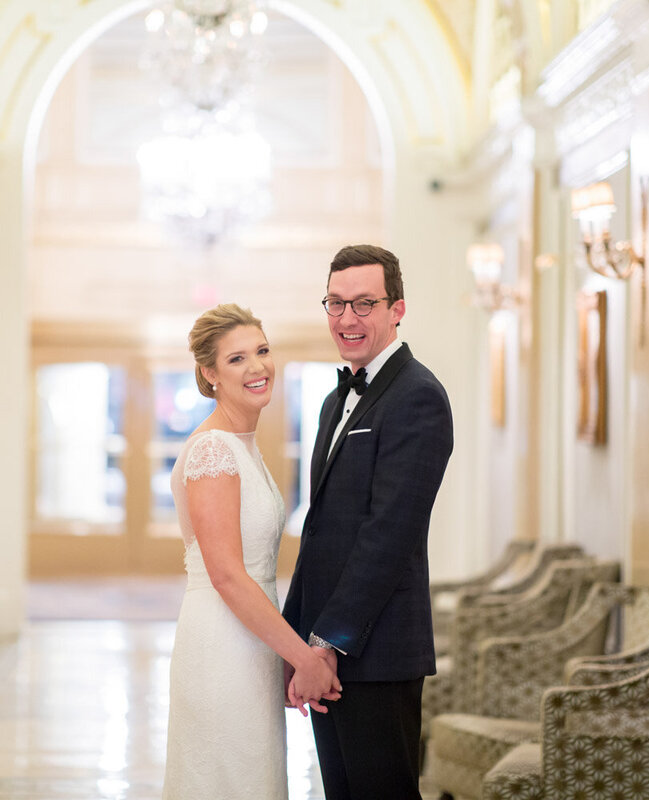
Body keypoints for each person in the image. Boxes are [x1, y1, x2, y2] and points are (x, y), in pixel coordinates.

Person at [282, 245, 454, 800]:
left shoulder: (418, 397)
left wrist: (328, 644)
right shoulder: (338, 398)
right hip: (323, 650)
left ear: (396, 308)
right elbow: (321, 531)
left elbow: (388, 536)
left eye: (363, 303)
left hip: (376, 653)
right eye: (335, 303)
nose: (347, 319)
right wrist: (297, 644)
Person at [163, 303, 342, 800]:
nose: (258, 367)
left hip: (251, 639)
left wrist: (282, 650)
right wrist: (303, 658)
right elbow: (226, 575)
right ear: (210, 373)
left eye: (262, 351)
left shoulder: (243, 444)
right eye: (237, 358)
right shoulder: (214, 451)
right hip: (222, 643)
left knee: (254, 779)